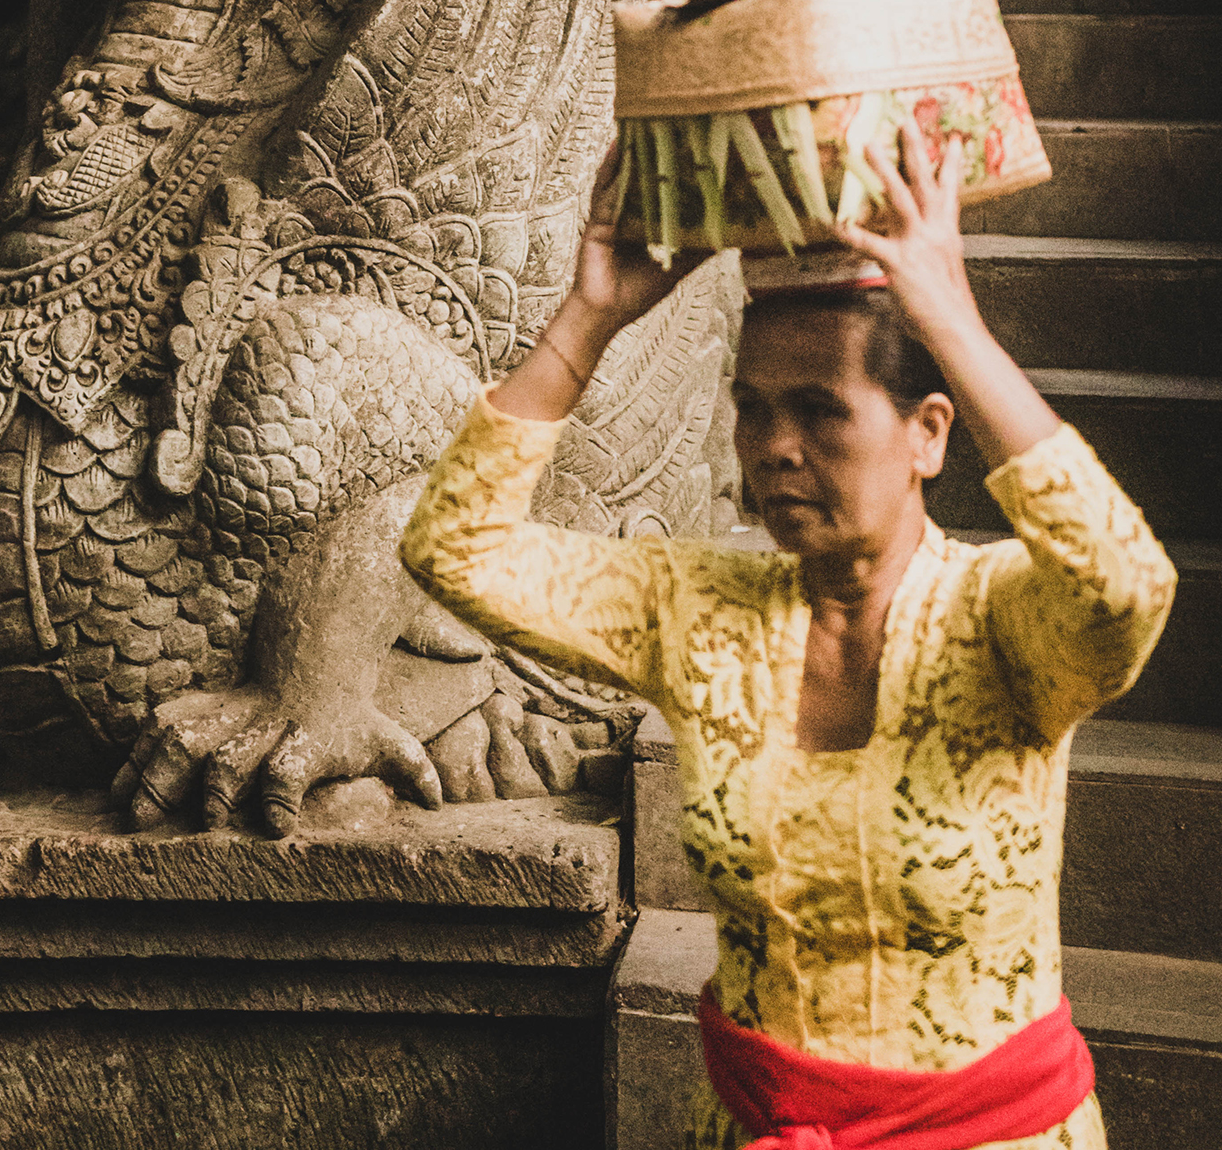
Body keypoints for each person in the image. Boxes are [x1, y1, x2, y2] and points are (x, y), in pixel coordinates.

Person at [400, 121, 1176, 1150]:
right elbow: (454, 546)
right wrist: (588, 318)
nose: (772, 447)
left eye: (818, 411)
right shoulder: (697, 609)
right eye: (752, 409)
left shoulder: (998, 618)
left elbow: (1124, 583)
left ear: (926, 433)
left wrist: (949, 318)